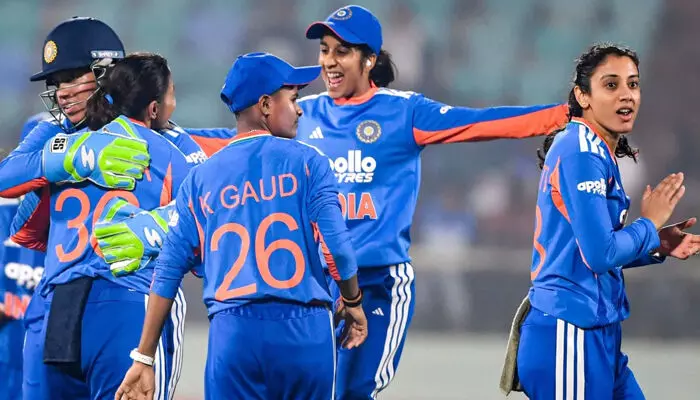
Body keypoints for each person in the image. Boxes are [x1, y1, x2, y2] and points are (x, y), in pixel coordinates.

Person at [294, 5, 571, 398]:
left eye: (342, 51)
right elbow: (239, 143)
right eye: (324, 50)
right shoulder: (302, 115)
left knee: (353, 391)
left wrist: (564, 115)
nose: (329, 61)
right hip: (313, 281)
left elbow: (481, 123)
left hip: (378, 282)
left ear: (369, 59)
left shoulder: (404, 112)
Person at [115, 52, 367, 400]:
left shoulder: (201, 179)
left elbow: (168, 270)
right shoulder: (310, 162)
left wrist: (144, 357)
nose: (299, 110)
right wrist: (352, 301)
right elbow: (337, 247)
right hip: (305, 331)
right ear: (265, 105)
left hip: (233, 335)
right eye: (293, 99)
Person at [509, 43, 700, 399]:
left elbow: (589, 249)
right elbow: (600, 254)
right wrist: (648, 224)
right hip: (569, 333)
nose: (626, 94)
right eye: (611, 85)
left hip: (598, 335)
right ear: (583, 95)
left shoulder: (594, 149)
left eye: (633, 84)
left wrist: (656, 243)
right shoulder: (581, 152)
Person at [11, 52, 191, 399]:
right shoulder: (168, 153)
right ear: (154, 107)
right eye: (172, 94)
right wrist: (160, 227)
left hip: (58, 309)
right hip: (128, 301)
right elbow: (205, 228)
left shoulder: (66, 146)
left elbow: (24, 231)